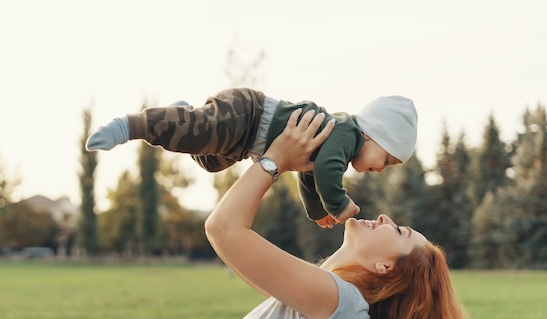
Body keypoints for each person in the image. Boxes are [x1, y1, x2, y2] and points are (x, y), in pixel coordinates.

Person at [28, 110, 485, 319]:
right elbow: (235, 237)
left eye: (400, 232)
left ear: (387, 269)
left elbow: (224, 229)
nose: (387, 218)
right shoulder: (323, 290)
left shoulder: (338, 301)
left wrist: (275, 161)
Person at [85, 88, 418, 228]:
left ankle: (181, 114)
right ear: (373, 134)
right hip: (249, 114)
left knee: (210, 159)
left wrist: (316, 210)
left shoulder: (336, 143)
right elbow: (328, 172)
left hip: (246, 143)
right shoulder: (347, 133)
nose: (379, 170)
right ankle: (131, 126)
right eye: (386, 160)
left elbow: (309, 175)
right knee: (202, 132)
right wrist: (339, 206)